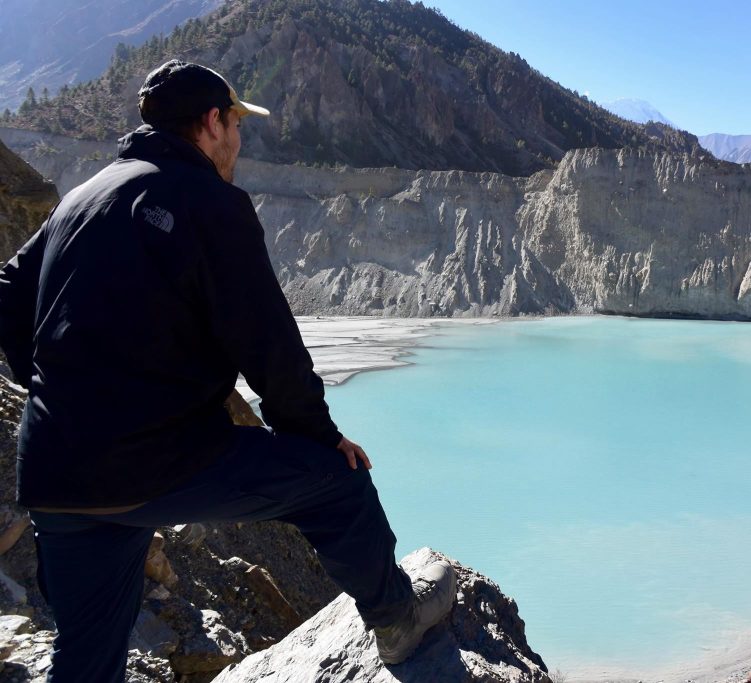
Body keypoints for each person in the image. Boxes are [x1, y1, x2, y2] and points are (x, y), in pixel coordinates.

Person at [0, 60, 455, 682]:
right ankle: (398, 623)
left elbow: (7, 292)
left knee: (84, 660)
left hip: (55, 470)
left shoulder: (84, 195)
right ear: (212, 123)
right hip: (156, 463)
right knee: (338, 485)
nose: (239, 139)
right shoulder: (209, 203)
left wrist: (51, 388)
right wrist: (323, 441)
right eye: (237, 123)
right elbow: (269, 347)